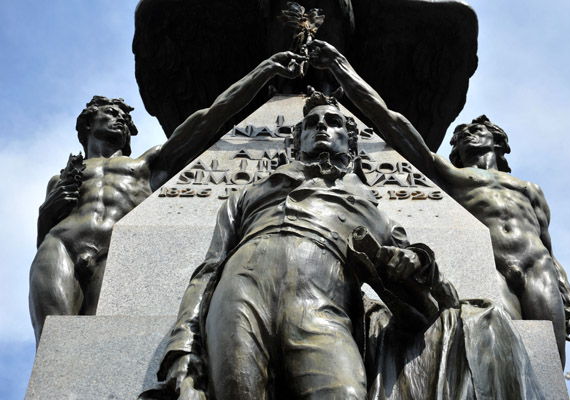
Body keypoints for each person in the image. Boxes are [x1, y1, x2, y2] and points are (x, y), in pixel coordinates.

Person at [144, 93, 544, 400]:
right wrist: (182, 344)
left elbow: (425, 277)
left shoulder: (370, 207)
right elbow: (210, 267)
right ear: (295, 140)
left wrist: (413, 261)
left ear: (350, 146)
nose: (321, 127)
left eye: (333, 123)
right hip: (240, 292)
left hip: (321, 305)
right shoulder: (248, 195)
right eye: (312, 123)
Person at [306, 39, 570, 366]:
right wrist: (341, 68)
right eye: (461, 134)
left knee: (550, 360)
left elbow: (548, 247)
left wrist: (567, 293)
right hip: (492, 267)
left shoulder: (529, 188)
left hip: (537, 266)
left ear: (498, 142)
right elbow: (393, 123)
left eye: (477, 130)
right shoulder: (451, 176)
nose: (467, 135)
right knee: (504, 350)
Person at [28, 51, 308, 345]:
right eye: (111, 114)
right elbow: (45, 231)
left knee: (103, 344)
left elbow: (210, 116)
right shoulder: (61, 177)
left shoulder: (146, 165)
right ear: (87, 124)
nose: (121, 121)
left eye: (125, 119)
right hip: (61, 246)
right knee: (51, 344)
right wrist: (46, 211)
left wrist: (264, 71)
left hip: (116, 251)